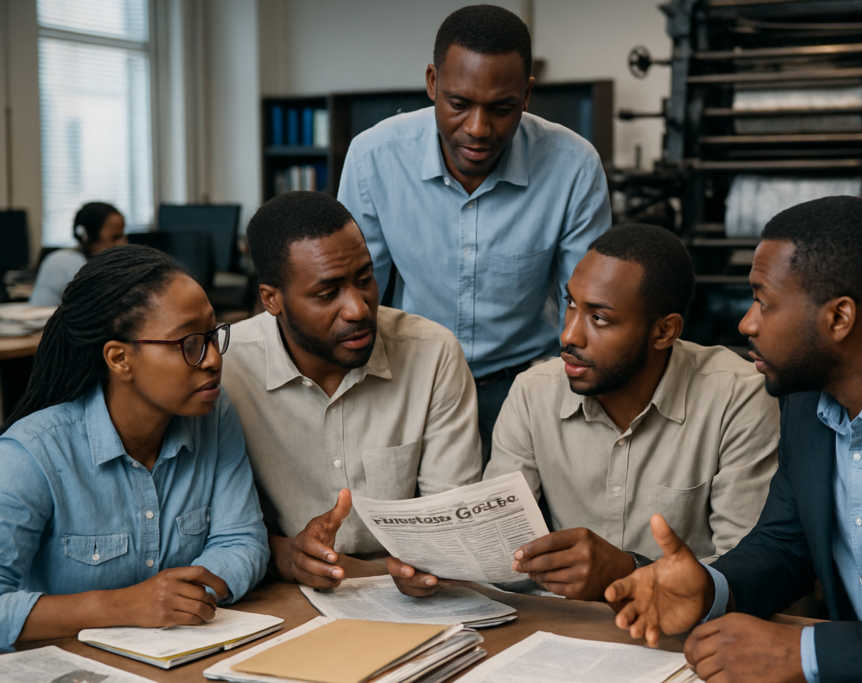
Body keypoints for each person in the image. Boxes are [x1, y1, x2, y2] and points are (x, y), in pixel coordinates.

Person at [606, 197, 862, 682]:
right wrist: (711, 587)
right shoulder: (807, 395)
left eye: (763, 300)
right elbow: (786, 543)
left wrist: (801, 652)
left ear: (839, 318)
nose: (746, 323)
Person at [388, 225, 779, 601]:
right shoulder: (532, 392)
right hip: (564, 629)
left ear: (664, 332)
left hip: (684, 635)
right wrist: (436, 569)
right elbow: (501, 553)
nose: (569, 336)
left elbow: (746, 570)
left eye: (599, 318)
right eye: (571, 304)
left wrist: (628, 571)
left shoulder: (738, 398)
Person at [337, 4, 613, 460]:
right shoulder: (373, 159)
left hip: (526, 387)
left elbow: (583, 306)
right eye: (459, 104)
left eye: (501, 108)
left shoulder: (573, 167)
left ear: (526, 95)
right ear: (432, 83)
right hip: (411, 384)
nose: (478, 129)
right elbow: (358, 296)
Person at [0, 245, 269, 652]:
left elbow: (242, 540)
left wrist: (183, 600)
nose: (213, 359)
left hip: (183, 660)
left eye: (213, 335)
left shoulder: (214, 413)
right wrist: (126, 605)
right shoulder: (30, 454)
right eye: (190, 343)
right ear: (119, 358)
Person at [220, 191, 481, 589]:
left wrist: (427, 565)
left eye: (365, 280)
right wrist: (285, 554)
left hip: (412, 593)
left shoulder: (432, 354)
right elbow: (208, 529)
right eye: (327, 294)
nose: (358, 308)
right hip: (279, 591)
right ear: (272, 299)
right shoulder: (227, 368)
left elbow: (450, 528)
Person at [29, 202, 128, 306]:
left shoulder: (118, 266)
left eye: (123, 236)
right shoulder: (64, 263)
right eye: (115, 237)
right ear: (87, 237)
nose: (123, 244)